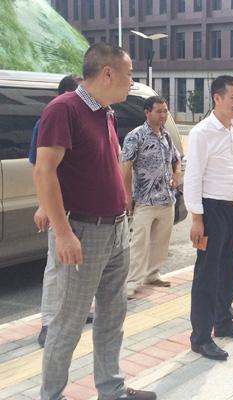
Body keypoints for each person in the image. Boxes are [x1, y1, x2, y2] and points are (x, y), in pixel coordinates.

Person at [34, 43, 155, 400]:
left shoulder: (106, 113)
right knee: (68, 323)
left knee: (113, 316)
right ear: (107, 73)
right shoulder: (64, 109)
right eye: (129, 74)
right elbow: (44, 171)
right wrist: (63, 233)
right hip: (83, 232)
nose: (131, 81)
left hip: (116, 229)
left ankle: (111, 389)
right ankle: (51, 395)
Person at [185, 75, 233, 361]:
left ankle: (223, 322)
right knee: (207, 275)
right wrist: (197, 219)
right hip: (212, 212)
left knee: (229, 271)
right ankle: (200, 338)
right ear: (217, 98)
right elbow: (193, 177)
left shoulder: (231, 127)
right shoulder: (202, 132)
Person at [28, 74, 96, 348]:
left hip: (86, 210)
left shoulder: (88, 118)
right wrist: (44, 205)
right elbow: (41, 169)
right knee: (56, 267)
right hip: (62, 209)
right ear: (67, 94)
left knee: (81, 265)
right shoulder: (50, 120)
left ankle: (79, 311)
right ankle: (48, 322)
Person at [122, 96, 181, 300]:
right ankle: (131, 283)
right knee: (139, 244)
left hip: (166, 199)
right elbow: (126, 167)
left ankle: (152, 275)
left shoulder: (166, 136)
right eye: (159, 111)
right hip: (144, 200)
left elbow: (176, 159)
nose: (163, 115)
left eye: (165, 111)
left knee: (160, 242)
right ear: (147, 112)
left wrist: (177, 175)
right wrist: (126, 195)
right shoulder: (135, 136)